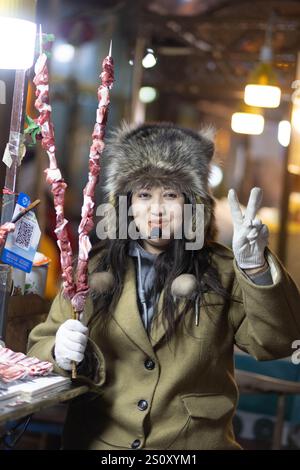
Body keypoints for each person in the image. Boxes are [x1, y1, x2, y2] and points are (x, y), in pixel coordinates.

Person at [27, 122, 300, 450]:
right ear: (127, 204)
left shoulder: (224, 269)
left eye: (170, 195)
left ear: (191, 204)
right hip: (100, 444)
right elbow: (39, 349)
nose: (156, 210)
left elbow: (279, 343)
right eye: (144, 195)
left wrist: (255, 267)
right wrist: (57, 349)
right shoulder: (90, 267)